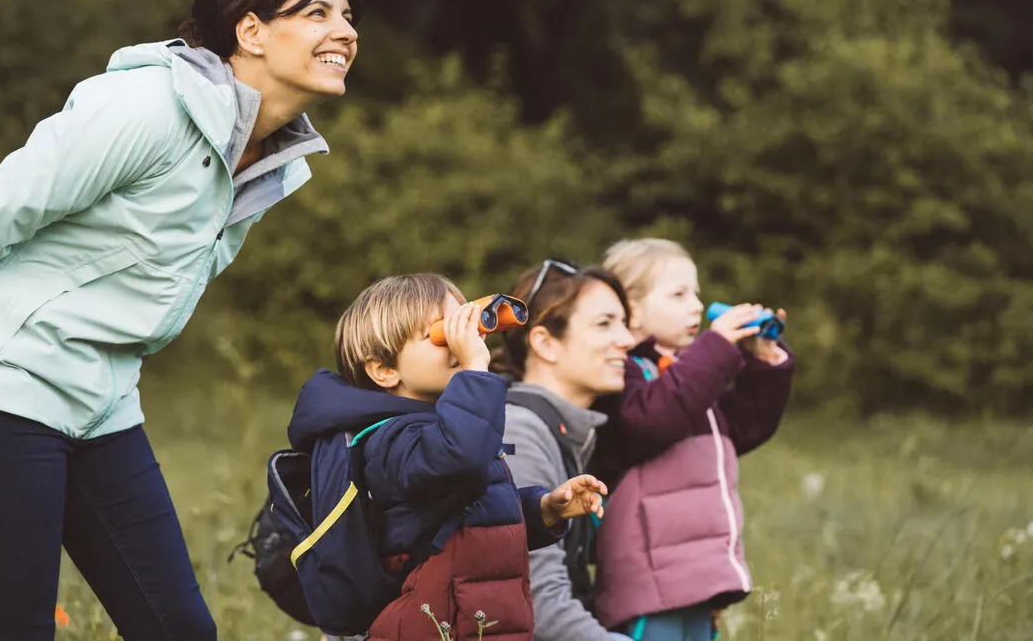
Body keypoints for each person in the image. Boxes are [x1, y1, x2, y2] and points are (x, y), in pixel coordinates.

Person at [0, 0, 360, 641]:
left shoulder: (266, 158)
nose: (344, 30)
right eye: (317, 12)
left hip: (101, 400)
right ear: (250, 31)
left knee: (178, 628)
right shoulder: (150, 104)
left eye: (347, 15)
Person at [287, 274, 608, 640]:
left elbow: (471, 515)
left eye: (464, 324)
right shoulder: (388, 439)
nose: (462, 340)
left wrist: (542, 509)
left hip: (479, 622)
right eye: (441, 334)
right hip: (434, 627)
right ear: (384, 369)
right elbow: (458, 462)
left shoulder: (454, 428)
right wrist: (474, 368)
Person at [592, 238, 795, 641]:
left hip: (698, 570)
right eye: (679, 294)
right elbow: (651, 420)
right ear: (630, 310)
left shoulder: (690, 374)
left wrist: (764, 361)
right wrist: (716, 349)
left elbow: (742, 427)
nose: (697, 306)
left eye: (697, 293)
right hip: (649, 579)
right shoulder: (625, 372)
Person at [497, 259, 638, 641]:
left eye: (625, 323)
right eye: (604, 323)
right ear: (544, 342)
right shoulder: (520, 430)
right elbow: (537, 604)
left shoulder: (563, 430)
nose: (627, 339)